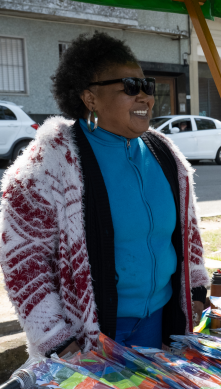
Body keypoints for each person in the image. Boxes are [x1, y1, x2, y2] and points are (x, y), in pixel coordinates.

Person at [0, 32, 209, 358]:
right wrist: (59, 343)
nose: (146, 98)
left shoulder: (166, 155)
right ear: (90, 98)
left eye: (147, 86)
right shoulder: (48, 165)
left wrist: (195, 290)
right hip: (89, 341)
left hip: (160, 324)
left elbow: (188, 234)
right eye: (130, 87)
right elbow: (23, 263)